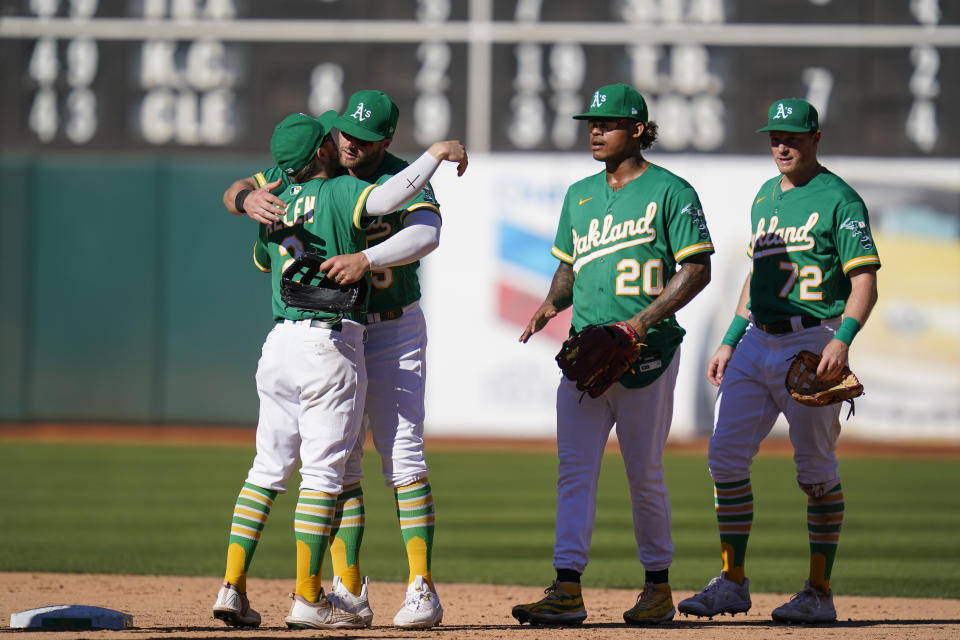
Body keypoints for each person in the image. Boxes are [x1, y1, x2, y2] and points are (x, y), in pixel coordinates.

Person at [211, 110, 467, 630]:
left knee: (274, 469)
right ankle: (314, 594)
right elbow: (383, 200)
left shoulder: (282, 201)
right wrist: (436, 155)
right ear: (324, 150)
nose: (344, 141)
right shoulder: (338, 192)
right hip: (332, 341)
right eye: (337, 136)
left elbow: (422, 232)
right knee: (328, 473)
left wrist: (250, 203)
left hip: (290, 339)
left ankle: (234, 586)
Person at [511, 83, 713, 627]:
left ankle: (657, 588)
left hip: (648, 355)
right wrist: (551, 303)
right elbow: (570, 265)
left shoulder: (671, 191)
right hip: (588, 352)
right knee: (574, 472)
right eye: (591, 123)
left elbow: (697, 269)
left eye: (609, 123)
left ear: (640, 130)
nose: (596, 131)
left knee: (643, 472)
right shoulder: (579, 194)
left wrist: (640, 323)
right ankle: (567, 588)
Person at [677, 98, 880, 624]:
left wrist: (844, 339)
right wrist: (729, 338)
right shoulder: (765, 196)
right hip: (757, 341)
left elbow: (864, 281)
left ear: (815, 138)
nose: (781, 145)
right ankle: (733, 582)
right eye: (774, 137)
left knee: (814, 471)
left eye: (791, 136)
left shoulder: (840, 199)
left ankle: (818, 591)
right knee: (723, 460)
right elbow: (756, 278)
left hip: (813, 340)